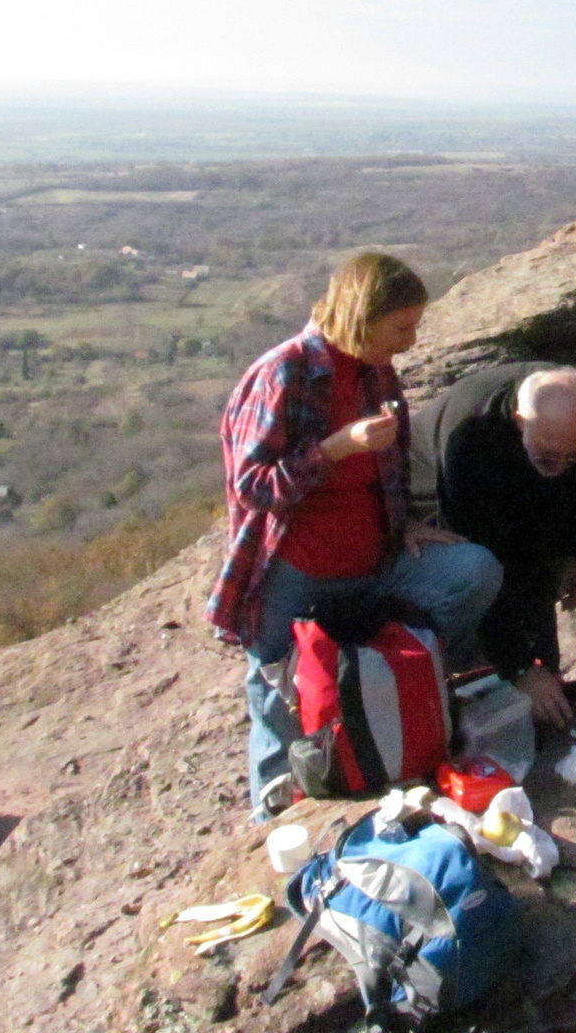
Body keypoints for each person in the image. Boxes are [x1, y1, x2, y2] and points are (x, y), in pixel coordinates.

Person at [207, 251, 503, 817]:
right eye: (401, 328)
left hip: (375, 559)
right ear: (362, 316)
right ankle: (279, 821)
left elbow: (389, 467)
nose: (410, 341)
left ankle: (402, 706)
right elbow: (251, 486)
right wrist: (335, 449)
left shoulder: (375, 370)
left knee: (473, 572)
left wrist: (407, 524)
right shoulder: (284, 372)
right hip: (297, 572)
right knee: (280, 698)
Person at [408, 361, 576, 728]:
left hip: (517, 493)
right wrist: (519, 667)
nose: (561, 468)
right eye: (549, 457)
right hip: (429, 510)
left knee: (538, 565)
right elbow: (486, 555)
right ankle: (477, 687)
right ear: (521, 422)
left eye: (574, 457)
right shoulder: (471, 435)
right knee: (483, 571)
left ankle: (545, 691)